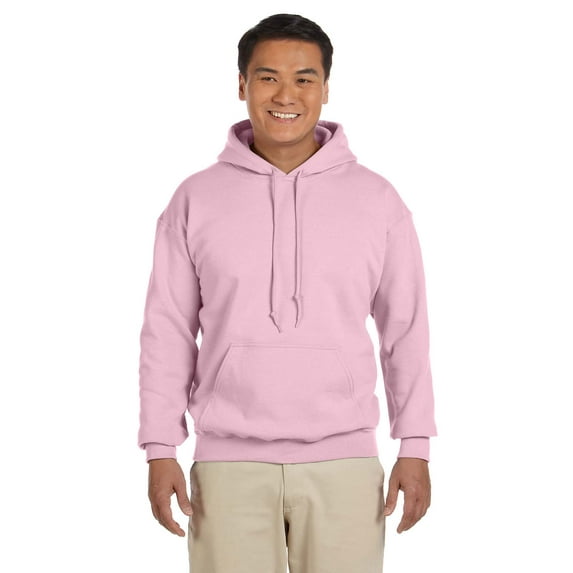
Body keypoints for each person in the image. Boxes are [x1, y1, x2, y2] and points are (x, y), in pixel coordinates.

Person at [138, 13, 437, 573]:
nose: (286, 95)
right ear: (242, 85)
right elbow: (167, 331)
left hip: (346, 460)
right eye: (268, 77)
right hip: (226, 466)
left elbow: (406, 329)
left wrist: (415, 444)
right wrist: (160, 448)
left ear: (325, 88)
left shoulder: (378, 200)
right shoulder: (195, 199)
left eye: (304, 78)